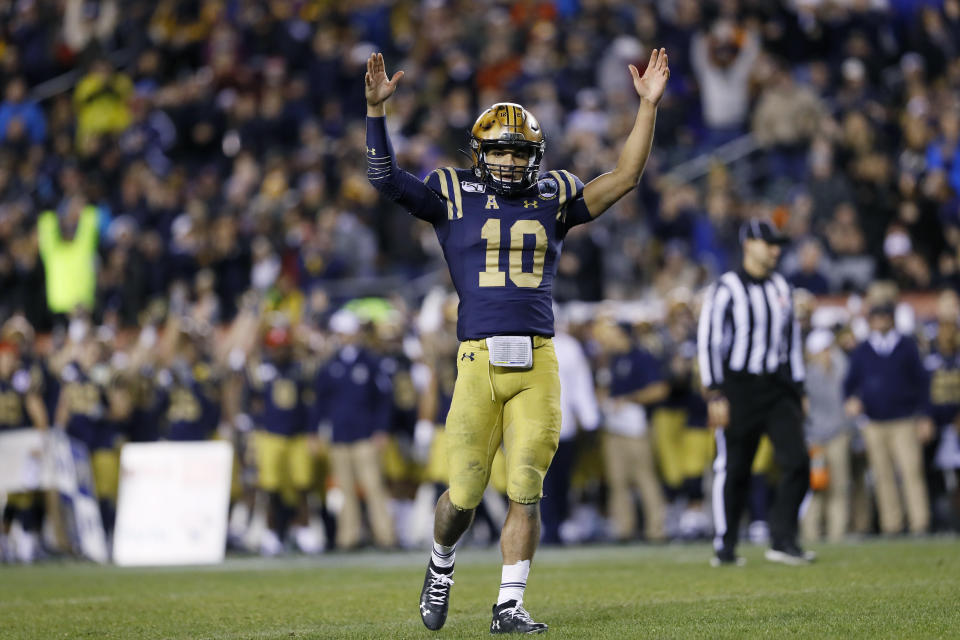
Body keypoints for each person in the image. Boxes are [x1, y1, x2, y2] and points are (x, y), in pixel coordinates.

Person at [365, 48, 669, 633]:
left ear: (536, 156)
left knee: (526, 485)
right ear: (479, 154)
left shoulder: (554, 193)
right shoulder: (451, 193)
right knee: (465, 492)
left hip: (537, 356)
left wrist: (647, 110)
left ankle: (509, 605)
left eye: (519, 151)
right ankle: (441, 563)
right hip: (476, 359)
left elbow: (626, 177)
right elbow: (383, 176)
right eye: (499, 150)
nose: (507, 160)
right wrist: (375, 113)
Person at [697, 219, 812, 567]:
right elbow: (710, 341)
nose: (776, 250)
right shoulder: (727, 288)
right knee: (735, 468)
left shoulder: (781, 286)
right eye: (769, 243)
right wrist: (715, 392)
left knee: (798, 462)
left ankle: (783, 539)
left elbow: (790, 342)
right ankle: (726, 546)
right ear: (749, 244)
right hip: (738, 387)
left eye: (779, 244)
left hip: (777, 387)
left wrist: (799, 388)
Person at [844, 290, 931, 535]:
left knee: (911, 471)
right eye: (876, 317)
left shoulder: (906, 346)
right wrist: (851, 400)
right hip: (873, 422)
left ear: (892, 319)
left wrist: (924, 415)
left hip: (904, 419)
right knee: (882, 476)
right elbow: (850, 384)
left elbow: (922, 382)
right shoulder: (862, 350)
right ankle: (891, 524)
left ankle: (919, 522)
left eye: (884, 317)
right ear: (870, 321)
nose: (880, 322)